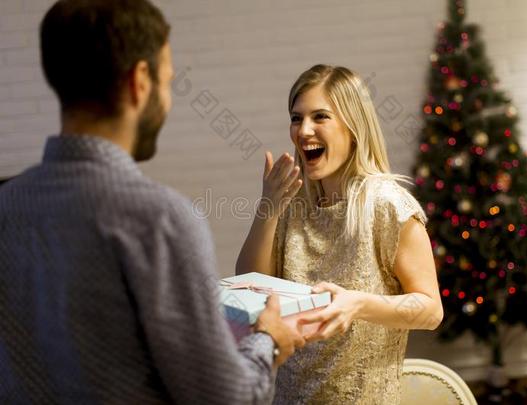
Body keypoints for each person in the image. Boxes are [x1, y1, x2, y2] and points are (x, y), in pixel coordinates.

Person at [0, 0, 304, 404]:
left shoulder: (8, 204)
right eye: (168, 81)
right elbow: (227, 397)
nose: (168, 100)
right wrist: (269, 340)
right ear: (140, 81)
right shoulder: (159, 219)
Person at [236, 64, 444, 404]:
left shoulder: (388, 206)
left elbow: (430, 310)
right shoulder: (291, 202)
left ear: (353, 127)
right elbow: (250, 283)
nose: (304, 130)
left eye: (320, 117)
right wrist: (268, 208)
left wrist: (358, 304)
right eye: (296, 117)